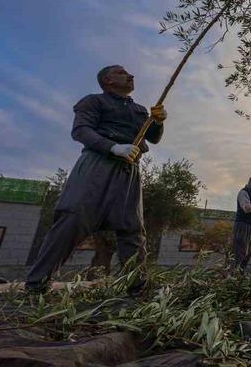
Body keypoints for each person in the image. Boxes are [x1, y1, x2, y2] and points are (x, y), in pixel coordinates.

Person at [25, 65, 166, 295]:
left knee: (132, 228)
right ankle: (37, 284)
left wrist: (158, 121)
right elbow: (81, 131)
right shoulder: (93, 102)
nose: (130, 75)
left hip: (129, 171)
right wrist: (113, 147)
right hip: (97, 164)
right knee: (73, 218)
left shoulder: (139, 110)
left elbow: (154, 138)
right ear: (107, 80)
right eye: (122, 73)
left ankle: (137, 288)